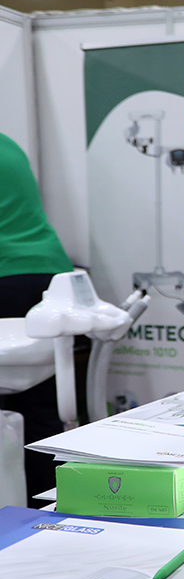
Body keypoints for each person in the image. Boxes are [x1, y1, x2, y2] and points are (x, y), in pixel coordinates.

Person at [0, 133, 74, 506]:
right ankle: (53, 511)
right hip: (49, 275)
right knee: (42, 409)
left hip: (6, 275)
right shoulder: (6, 143)